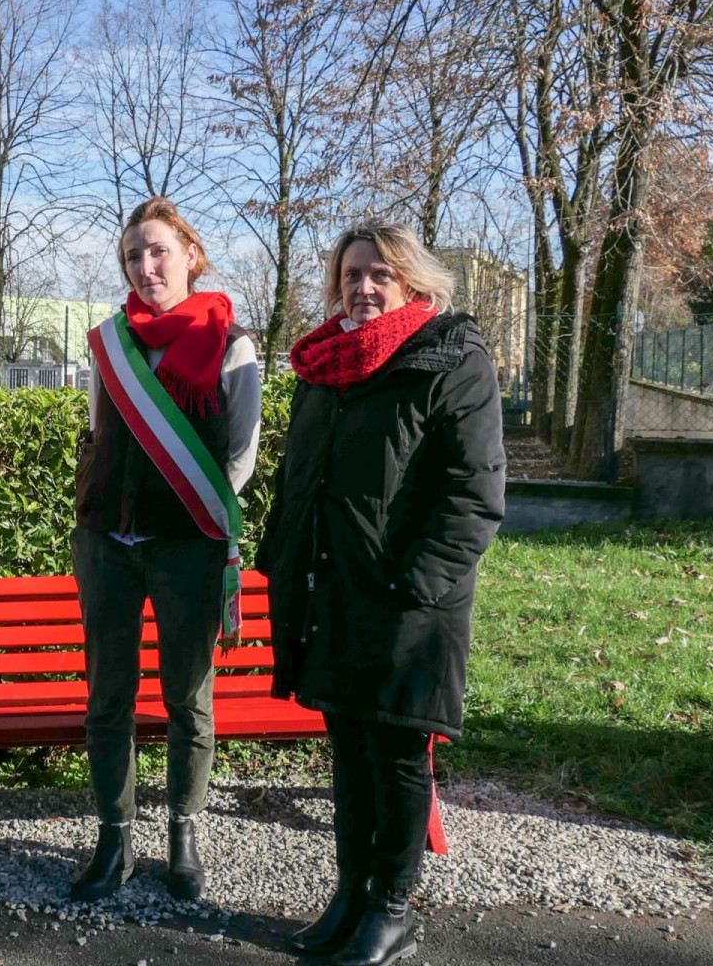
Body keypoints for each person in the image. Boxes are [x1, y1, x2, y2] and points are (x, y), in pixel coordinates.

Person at [257, 222, 504, 966]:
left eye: (380, 275)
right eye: (352, 274)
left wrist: (415, 584)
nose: (363, 287)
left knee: (396, 753)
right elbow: (302, 478)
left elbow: (474, 492)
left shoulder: (450, 358)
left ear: (413, 284)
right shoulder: (324, 365)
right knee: (348, 749)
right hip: (328, 587)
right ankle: (352, 892)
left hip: (408, 601)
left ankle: (392, 909)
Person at [69, 196, 262, 903]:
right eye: (132, 256)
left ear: (190, 255)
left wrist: (189, 518)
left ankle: (183, 835)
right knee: (107, 699)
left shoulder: (231, 343)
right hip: (107, 545)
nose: (145, 266)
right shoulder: (109, 343)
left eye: (157, 251)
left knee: (187, 698)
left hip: (188, 548)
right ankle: (112, 839)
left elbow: (238, 459)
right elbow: (101, 433)